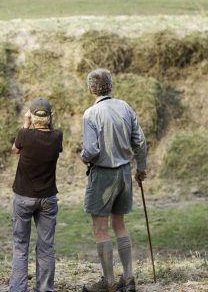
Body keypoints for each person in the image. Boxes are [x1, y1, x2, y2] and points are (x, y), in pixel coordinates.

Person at [81, 69, 147, 292]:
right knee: (120, 224)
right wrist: (141, 168)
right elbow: (140, 140)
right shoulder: (125, 107)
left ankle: (108, 282)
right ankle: (128, 279)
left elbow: (90, 150)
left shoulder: (90, 114)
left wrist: (83, 156)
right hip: (125, 173)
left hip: (103, 174)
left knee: (101, 228)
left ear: (91, 89)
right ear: (111, 86)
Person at [10, 97, 62, 292]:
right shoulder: (57, 136)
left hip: (23, 196)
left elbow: (15, 149)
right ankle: (45, 289)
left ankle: (18, 289)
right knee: (46, 247)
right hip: (48, 197)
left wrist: (26, 124)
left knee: (20, 246)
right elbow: (51, 133)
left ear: (31, 116)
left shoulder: (24, 135)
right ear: (50, 117)